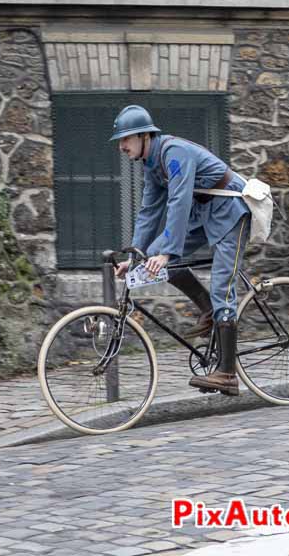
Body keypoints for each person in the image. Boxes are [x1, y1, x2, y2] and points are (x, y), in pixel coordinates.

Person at [110, 104, 250, 396]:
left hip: (230, 212)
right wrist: (135, 258)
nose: (122, 146)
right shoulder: (152, 164)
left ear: (145, 136)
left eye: (127, 138)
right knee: (155, 260)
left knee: (221, 286)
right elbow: (149, 211)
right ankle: (209, 311)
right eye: (121, 140)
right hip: (203, 216)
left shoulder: (175, 153)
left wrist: (167, 252)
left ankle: (227, 374)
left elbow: (179, 201)